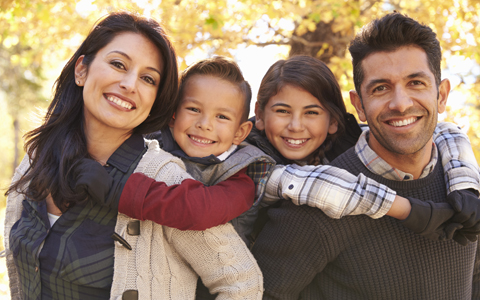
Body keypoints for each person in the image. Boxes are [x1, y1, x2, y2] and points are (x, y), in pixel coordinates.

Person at [3, 12, 262, 300]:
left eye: (148, 78)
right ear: (81, 70)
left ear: (155, 100)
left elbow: (242, 283)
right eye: (118, 64)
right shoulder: (37, 157)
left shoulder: (163, 180)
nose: (130, 84)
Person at [251, 13, 480, 299]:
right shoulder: (314, 208)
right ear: (358, 105)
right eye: (381, 88)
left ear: (442, 95)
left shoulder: (465, 189)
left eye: (416, 83)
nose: (400, 103)